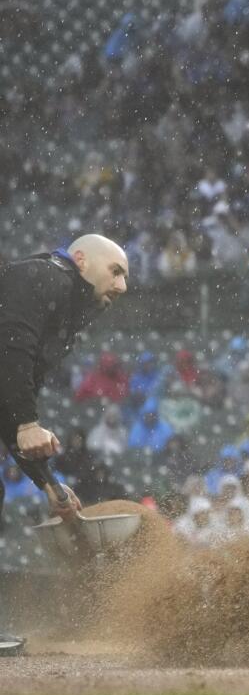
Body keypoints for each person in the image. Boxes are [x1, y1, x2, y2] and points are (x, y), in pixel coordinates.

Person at [0, 234, 129, 656]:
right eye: (116, 271)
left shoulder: (69, 309)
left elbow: (12, 393)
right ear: (80, 260)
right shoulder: (46, 276)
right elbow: (10, 350)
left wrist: (48, 484)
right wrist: (26, 423)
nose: (123, 286)